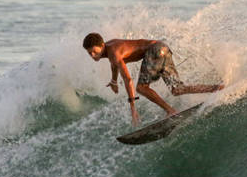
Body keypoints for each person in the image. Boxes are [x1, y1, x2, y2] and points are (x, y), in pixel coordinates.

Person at [83, 33, 223, 127]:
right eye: (89, 53)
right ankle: (217, 88)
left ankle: (170, 111)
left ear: (101, 46)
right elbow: (114, 65)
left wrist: (133, 108)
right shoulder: (109, 48)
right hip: (162, 48)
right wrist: (113, 81)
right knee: (177, 89)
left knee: (141, 88)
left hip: (154, 50)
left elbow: (128, 79)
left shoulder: (113, 52)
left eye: (94, 52)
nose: (93, 55)